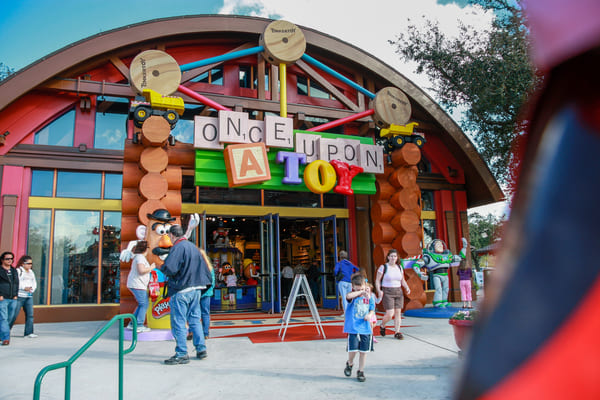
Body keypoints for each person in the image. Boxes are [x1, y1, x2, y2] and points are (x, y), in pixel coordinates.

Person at [160, 225, 213, 365]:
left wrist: (162, 265)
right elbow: (205, 269)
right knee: (195, 320)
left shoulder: (178, 247)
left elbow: (170, 268)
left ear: (172, 235)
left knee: (179, 322)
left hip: (182, 289)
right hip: (196, 289)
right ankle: (201, 349)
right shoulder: (193, 247)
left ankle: (182, 353)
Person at [343, 273, 375, 382]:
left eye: (361, 287)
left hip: (365, 328)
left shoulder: (369, 297)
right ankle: (350, 362)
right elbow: (348, 296)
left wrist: (369, 315)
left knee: (363, 351)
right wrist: (360, 292)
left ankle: (361, 371)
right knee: (353, 349)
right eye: (357, 287)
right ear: (353, 287)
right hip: (353, 327)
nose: (361, 289)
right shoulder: (353, 295)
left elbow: (372, 308)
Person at [375, 249, 410, 339]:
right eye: (391, 256)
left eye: (395, 256)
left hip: (398, 290)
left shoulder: (399, 267)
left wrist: (406, 287)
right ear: (388, 257)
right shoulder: (383, 267)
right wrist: (379, 290)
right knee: (390, 313)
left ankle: (397, 332)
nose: (393, 258)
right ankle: (382, 325)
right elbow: (377, 280)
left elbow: (402, 280)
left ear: (397, 257)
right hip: (387, 291)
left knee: (398, 313)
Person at [126, 241, 154, 333]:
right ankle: (139, 325)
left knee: (141, 304)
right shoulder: (140, 258)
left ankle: (132, 324)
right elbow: (141, 270)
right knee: (144, 304)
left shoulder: (138, 257)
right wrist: (151, 267)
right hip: (137, 284)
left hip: (137, 284)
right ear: (145, 249)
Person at [9, 255, 37, 337]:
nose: (30, 265)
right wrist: (24, 288)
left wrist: (32, 289)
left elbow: (34, 283)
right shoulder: (18, 271)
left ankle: (29, 332)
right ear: (23, 263)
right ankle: (5, 331)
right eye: (28, 263)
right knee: (13, 315)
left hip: (28, 296)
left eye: (31, 263)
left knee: (30, 315)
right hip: (19, 296)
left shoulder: (31, 272)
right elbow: (16, 283)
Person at [0, 252, 18, 346]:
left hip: (13, 298)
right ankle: (6, 338)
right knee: (3, 318)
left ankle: (1, 333)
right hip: (2, 298)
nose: (10, 260)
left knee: (11, 317)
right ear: (2, 260)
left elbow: (16, 283)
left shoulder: (14, 271)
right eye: (7, 259)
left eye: (11, 258)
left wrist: (15, 294)